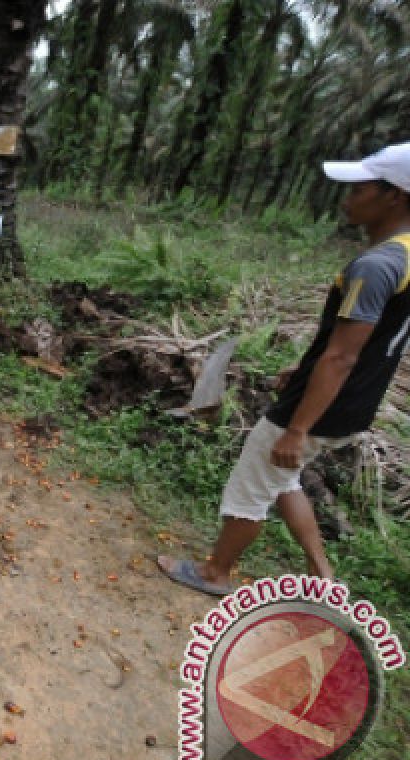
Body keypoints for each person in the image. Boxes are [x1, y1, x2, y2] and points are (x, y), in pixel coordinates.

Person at [160, 142, 410, 595]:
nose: (347, 197)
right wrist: (306, 367)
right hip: (355, 404)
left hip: (324, 407)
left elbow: (343, 357)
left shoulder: (376, 266)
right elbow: (364, 343)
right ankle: (323, 575)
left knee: (251, 488)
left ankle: (215, 572)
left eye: (360, 188)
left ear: (394, 195)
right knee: (283, 479)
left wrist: (297, 429)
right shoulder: (405, 257)